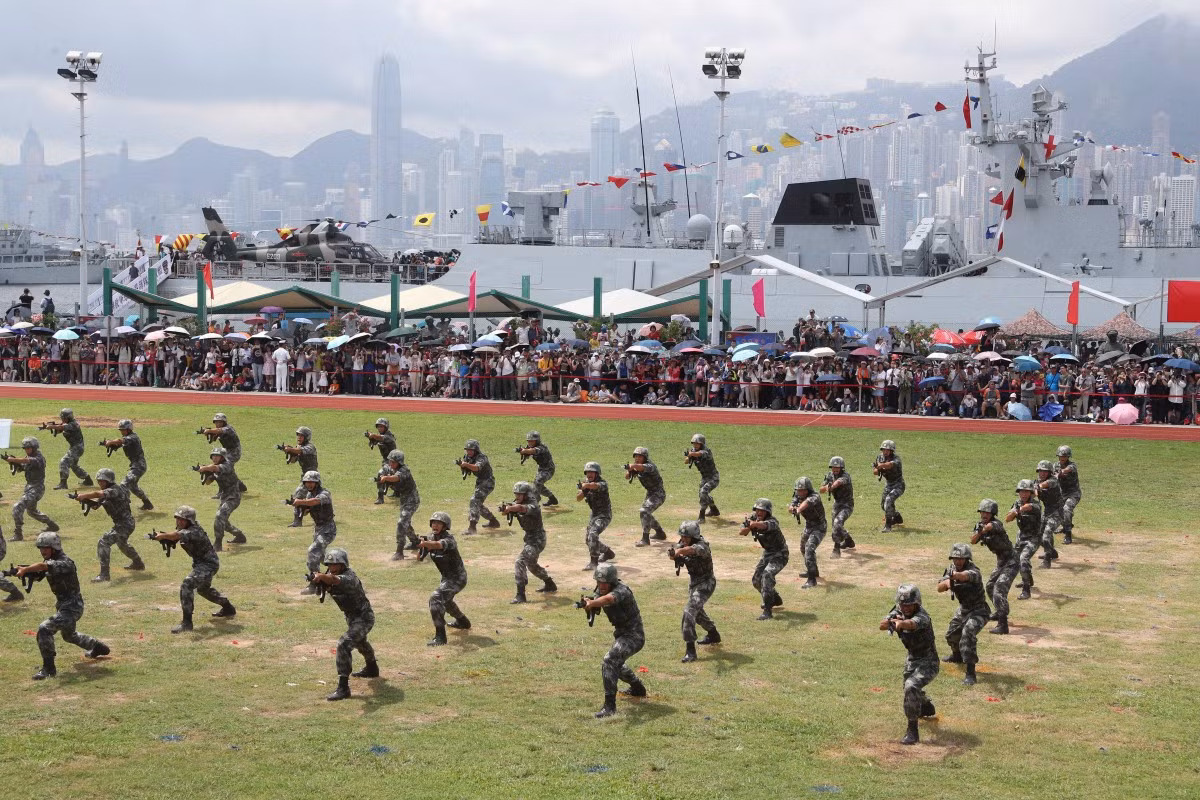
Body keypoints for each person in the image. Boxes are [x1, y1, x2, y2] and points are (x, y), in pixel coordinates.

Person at [18, 531, 111, 680]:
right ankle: (98, 646)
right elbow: (41, 572)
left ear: (54, 547)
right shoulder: (52, 562)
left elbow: (44, 567)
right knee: (69, 636)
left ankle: (49, 669)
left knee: (44, 628)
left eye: (45, 548)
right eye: (40, 548)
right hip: (63, 607)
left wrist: (26, 569)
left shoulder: (65, 563)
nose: (42, 551)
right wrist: (25, 573)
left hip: (73, 607)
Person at [148, 506, 236, 633]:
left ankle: (187, 623)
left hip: (209, 564)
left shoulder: (194, 531)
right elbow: (177, 536)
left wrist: (163, 536)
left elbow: (177, 535)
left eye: (182, 520)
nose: (179, 522)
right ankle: (228, 608)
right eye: (178, 519)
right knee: (203, 590)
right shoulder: (185, 530)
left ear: (190, 521)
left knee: (187, 584)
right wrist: (166, 538)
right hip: (200, 564)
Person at [308, 548, 378, 701]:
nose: (332, 568)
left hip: (364, 617)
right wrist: (316, 581)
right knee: (360, 641)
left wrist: (322, 576)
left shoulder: (349, 577)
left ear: (343, 565)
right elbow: (324, 585)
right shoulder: (330, 576)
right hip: (352, 618)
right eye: (329, 565)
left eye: (336, 565)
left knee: (344, 643)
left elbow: (335, 581)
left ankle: (343, 687)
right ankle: (372, 668)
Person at [581, 563, 648, 718]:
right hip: (621, 635)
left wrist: (593, 603)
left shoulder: (621, 591)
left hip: (634, 636)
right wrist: (589, 604)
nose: (601, 585)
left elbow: (609, 599)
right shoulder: (600, 590)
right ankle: (637, 687)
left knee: (609, 661)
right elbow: (599, 600)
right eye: (598, 582)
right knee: (616, 664)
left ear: (612, 581)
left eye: (604, 582)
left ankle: (609, 706)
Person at [879, 583, 938, 745]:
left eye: (909, 605)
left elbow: (913, 624)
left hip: (928, 661)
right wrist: (891, 621)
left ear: (917, 603)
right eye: (903, 605)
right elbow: (881, 625)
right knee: (910, 689)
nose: (905, 608)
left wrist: (901, 624)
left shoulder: (923, 616)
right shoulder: (898, 612)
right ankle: (925, 706)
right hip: (912, 659)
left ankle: (912, 731)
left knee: (911, 686)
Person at [72, 467, 143, 582]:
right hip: (123, 524)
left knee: (103, 542)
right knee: (122, 544)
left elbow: (98, 493)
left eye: (102, 481)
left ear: (109, 481)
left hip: (125, 524)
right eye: (99, 481)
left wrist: (84, 495)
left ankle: (104, 575)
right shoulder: (106, 492)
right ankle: (138, 563)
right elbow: (95, 506)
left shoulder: (115, 490)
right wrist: (84, 500)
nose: (100, 483)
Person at [937, 543, 989, 686]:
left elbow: (965, 576)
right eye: (955, 558)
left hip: (979, 610)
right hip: (964, 609)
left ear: (967, 559)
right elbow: (939, 588)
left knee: (968, 633)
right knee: (951, 635)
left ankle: (970, 672)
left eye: (961, 559)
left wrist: (955, 577)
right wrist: (948, 582)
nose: (958, 561)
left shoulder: (974, 571)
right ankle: (957, 656)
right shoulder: (951, 570)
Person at [671, 520, 720, 663]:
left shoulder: (702, 546)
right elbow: (676, 552)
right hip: (694, 584)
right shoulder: (682, 544)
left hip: (706, 583)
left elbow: (692, 550)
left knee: (689, 611)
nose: (683, 539)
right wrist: (674, 555)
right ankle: (713, 634)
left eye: (686, 537)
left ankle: (690, 651)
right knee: (697, 613)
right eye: (682, 536)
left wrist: (679, 551)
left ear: (694, 536)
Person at [418, 511, 470, 646]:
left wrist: (428, 544)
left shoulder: (449, 540)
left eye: (438, 523)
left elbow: (438, 545)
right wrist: (420, 546)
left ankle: (440, 637)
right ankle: (463, 621)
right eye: (433, 523)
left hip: (458, 578)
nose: (435, 525)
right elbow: (419, 559)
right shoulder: (430, 537)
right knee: (446, 601)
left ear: (445, 526)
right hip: (446, 578)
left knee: (436, 598)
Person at [500, 481, 558, 603]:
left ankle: (520, 595)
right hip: (530, 538)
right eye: (516, 494)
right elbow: (513, 508)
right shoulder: (517, 502)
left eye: (520, 494)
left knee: (520, 561)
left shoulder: (533, 505)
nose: (517, 497)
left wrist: (511, 508)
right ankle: (550, 584)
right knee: (531, 565)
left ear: (526, 494)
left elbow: (521, 509)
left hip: (537, 539)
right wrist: (507, 509)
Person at [970, 499, 1017, 635]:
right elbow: (973, 540)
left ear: (993, 514)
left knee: (998, 589)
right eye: (982, 512)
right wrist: (979, 532)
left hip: (1012, 562)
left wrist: (982, 530)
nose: (984, 515)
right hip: (1001, 562)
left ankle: (1003, 625)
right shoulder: (980, 526)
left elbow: (990, 527)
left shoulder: (996, 524)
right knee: (990, 586)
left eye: (987, 512)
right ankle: (999, 610)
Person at [2, 436, 60, 540]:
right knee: (31, 511)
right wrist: (11, 462)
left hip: (37, 489)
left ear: (34, 448)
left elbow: (27, 461)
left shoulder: (39, 458)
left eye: (28, 448)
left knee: (17, 507)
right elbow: (22, 466)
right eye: (25, 448)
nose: (26, 450)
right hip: (30, 488)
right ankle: (52, 525)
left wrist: (14, 459)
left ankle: (18, 534)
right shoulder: (29, 457)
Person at [289, 471, 337, 594]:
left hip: (328, 529)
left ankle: (314, 584)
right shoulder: (310, 495)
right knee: (321, 556)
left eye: (312, 482)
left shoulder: (325, 494)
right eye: (307, 482)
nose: (309, 485)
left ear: (317, 482)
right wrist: (302, 509)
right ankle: (340, 572)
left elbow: (315, 502)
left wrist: (300, 502)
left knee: (312, 551)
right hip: (318, 529)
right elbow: (308, 509)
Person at [740, 498, 789, 620]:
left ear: (768, 512)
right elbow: (742, 532)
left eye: (762, 510)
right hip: (767, 554)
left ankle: (768, 610)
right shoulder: (752, 519)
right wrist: (749, 526)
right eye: (757, 510)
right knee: (756, 581)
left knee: (767, 575)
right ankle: (774, 598)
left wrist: (754, 524)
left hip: (780, 554)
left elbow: (765, 526)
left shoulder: (772, 521)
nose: (759, 513)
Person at [99, 419, 153, 511]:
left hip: (139, 466)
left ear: (129, 429)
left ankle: (124, 508)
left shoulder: (133, 437)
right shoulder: (127, 438)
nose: (121, 431)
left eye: (123, 430)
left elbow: (121, 441)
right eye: (121, 430)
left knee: (124, 485)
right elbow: (119, 444)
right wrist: (108, 444)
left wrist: (111, 442)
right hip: (136, 466)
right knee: (133, 487)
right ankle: (147, 503)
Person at [198, 447, 246, 550]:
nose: (214, 458)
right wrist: (206, 474)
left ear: (223, 457)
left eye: (217, 456)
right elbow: (208, 482)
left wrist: (205, 468)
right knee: (223, 521)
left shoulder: (227, 465)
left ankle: (218, 544)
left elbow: (216, 468)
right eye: (213, 456)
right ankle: (239, 536)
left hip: (234, 497)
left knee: (219, 517)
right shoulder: (214, 467)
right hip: (225, 497)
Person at [1006, 479, 1044, 601]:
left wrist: (1019, 510)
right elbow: (1008, 519)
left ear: (1031, 492)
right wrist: (1013, 512)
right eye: (1021, 491)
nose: (1023, 494)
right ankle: (1029, 579)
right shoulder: (1016, 503)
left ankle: (1026, 590)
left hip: (1034, 537)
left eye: (1026, 492)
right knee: (1016, 560)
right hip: (1022, 536)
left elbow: (1029, 507)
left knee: (1023, 559)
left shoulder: (1036, 504)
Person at [378, 450, 420, 560]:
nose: (391, 464)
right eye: (390, 461)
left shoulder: (404, 470)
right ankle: (415, 542)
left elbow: (396, 478)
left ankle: (399, 551)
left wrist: (386, 478)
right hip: (403, 499)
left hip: (412, 499)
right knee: (405, 523)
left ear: (400, 462)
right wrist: (381, 474)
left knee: (402, 522)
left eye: (394, 462)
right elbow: (383, 470)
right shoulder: (390, 467)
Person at [788, 477, 827, 589]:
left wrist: (798, 510)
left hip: (819, 527)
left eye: (802, 490)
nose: (800, 492)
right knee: (803, 548)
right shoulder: (797, 495)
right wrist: (792, 509)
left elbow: (806, 503)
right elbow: (791, 506)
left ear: (808, 489)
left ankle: (812, 580)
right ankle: (813, 571)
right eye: (798, 490)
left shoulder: (815, 496)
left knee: (809, 548)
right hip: (809, 526)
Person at [458, 438, 502, 535]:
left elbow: (476, 467)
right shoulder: (467, 457)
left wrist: (466, 464)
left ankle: (472, 528)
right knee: (477, 504)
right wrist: (462, 466)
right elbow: (468, 471)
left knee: (474, 501)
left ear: (476, 450)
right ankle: (494, 522)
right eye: (467, 450)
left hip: (488, 482)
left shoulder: (482, 458)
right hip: (480, 482)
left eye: (471, 450)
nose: (468, 452)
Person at [577, 461, 615, 570]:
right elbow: (578, 498)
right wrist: (584, 491)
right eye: (588, 472)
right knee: (588, 540)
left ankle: (594, 562)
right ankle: (608, 552)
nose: (589, 474)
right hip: (594, 515)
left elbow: (595, 486)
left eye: (592, 472)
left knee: (592, 534)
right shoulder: (586, 484)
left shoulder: (602, 484)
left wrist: (586, 486)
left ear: (597, 473)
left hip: (604, 515)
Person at [626, 446, 667, 547]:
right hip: (650, 493)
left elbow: (642, 467)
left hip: (658, 494)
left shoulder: (650, 466)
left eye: (640, 456)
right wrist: (630, 471)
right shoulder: (637, 467)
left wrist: (633, 466)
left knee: (644, 512)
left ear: (645, 457)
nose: (637, 458)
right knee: (646, 513)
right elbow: (627, 477)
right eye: (636, 456)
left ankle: (645, 539)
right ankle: (660, 533)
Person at [198, 412, 247, 492]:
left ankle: (223, 491)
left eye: (220, 422)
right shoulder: (219, 431)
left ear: (224, 422)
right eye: (216, 422)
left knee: (221, 468)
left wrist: (208, 430)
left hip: (234, 452)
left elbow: (219, 431)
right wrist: (210, 434)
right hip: (227, 451)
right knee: (226, 469)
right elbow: (215, 435)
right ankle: (240, 486)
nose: (218, 423)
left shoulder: (228, 428)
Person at [46, 407, 92, 489]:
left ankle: (63, 484)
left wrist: (52, 427)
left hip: (77, 447)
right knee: (73, 465)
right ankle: (88, 480)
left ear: (69, 417)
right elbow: (61, 428)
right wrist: (53, 427)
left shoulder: (73, 424)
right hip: (75, 447)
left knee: (64, 462)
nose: (62, 419)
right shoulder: (67, 424)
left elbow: (62, 428)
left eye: (64, 418)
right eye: (62, 418)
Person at [282, 426, 318, 527]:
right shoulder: (298, 447)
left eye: (301, 436)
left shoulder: (310, 447)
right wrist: (289, 452)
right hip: (306, 476)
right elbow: (293, 461)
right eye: (298, 435)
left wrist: (291, 449)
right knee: (312, 499)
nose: (299, 437)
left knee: (298, 496)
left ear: (307, 437)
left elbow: (300, 451)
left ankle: (297, 521)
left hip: (312, 476)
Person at [820, 456, 856, 557]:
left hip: (847, 504)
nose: (835, 469)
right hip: (837, 504)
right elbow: (821, 489)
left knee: (837, 523)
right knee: (836, 527)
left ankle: (836, 549)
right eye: (833, 467)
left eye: (837, 467)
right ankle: (848, 540)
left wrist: (832, 486)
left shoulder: (846, 476)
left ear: (841, 468)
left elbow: (839, 482)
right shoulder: (829, 476)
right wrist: (827, 487)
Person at [684, 433, 721, 522]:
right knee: (702, 494)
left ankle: (702, 515)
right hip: (705, 478)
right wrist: (688, 456)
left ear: (702, 444)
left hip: (713, 477)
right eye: (694, 443)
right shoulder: (693, 451)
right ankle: (714, 510)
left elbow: (699, 454)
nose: (695, 445)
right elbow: (686, 462)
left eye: (697, 443)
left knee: (703, 491)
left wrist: (691, 454)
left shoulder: (706, 451)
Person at [1033, 460, 1063, 569]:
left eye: (1045, 471)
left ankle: (1047, 559)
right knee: (1038, 536)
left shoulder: (1053, 480)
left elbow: (1044, 485)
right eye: (1041, 471)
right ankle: (1052, 552)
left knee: (1046, 535)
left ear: (1050, 472)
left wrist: (1037, 488)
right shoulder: (1036, 481)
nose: (1043, 473)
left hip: (1057, 512)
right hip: (1047, 511)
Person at [517, 430, 559, 506]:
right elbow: (529, 451)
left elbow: (533, 451)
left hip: (549, 469)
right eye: (528, 441)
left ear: (537, 441)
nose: (530, 443)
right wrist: (524, 452)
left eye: (532, 441)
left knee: (538, 482)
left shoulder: (542, 447)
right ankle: (552, 498)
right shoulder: (530, 447)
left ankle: (534, 502)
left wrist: (525, 451)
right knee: (538, 485)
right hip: (541, 469)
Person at [873, 439, 905, 532]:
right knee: (884, 506)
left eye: (887, 450)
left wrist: (881, 466)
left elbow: (889, 465)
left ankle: (888, 525)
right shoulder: (879, 457)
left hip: (898, 484)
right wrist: (878, 469)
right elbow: (875, 472)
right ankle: (896, 516)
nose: (885, 452)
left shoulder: (896, 459)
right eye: (884, 450)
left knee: (888, 500)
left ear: (892, 451)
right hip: (889, 484)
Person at [1053, 445, 1081, 545]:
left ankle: (1068, 533)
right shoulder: (1055, 465)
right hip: (1061, 494)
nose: (1062, 458)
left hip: (1073, 494)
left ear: (1068, 457)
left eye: (1064, 456)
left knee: (1067, 509)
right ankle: (1065, 525)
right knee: (1058, 512)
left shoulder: (1072, 465)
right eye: (1060, 456)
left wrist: (1060, 473)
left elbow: (1067, 470)